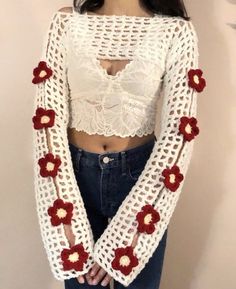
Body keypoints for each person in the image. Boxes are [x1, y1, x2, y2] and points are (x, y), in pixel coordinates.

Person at [31, 0, 206, 288]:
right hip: (73, 181)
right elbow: (47, 124)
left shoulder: (176, 31)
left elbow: (180, 133)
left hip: (144, 181)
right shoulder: (65, 23)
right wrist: (63, 215)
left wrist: (128, 235)